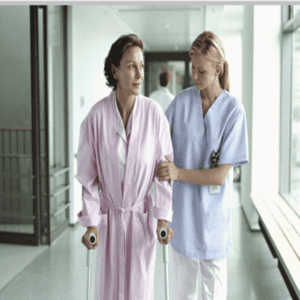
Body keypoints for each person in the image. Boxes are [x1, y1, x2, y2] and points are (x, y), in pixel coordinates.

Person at [77, 34, 174, 300]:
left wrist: (162, 217)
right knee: (109, 291)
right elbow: (88, 178)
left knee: (140, 290)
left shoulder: (155, 115)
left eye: (141, 66)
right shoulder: (95, 117)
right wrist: (91, 223)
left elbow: (163, 173)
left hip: (141, 221)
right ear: (115, 71)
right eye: (131, 66)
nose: (139, 74)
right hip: (109, 222)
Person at [157, 31, 249, 300]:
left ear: (218, 68)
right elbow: (158, 146)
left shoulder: (234, 111)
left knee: (213, 294)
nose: (195, 76)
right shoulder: (181, 103)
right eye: (193, 69)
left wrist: (178, 172)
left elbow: (220, 176)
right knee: (183, 292)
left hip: (214, 219)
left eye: (202, 70)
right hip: (182, 215)